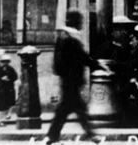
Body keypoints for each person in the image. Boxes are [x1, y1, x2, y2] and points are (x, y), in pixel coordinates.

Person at [45, 10, 105, 145]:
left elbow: (58, 62)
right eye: (80, 21)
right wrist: (98, 65)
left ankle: (52, 136)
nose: (82, 24)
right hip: (72, 81)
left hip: (67, 80)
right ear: (75, 22)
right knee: (76, 109)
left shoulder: (62, 37)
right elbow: (83, 57)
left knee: (67, 110)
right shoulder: (71, 38)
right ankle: (91, 135)